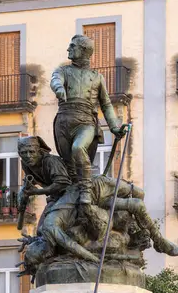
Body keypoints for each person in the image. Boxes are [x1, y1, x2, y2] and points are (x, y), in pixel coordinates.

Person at [50, 34, 123, 206]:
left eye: (72, 46)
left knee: (78, 148)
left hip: (86, 122)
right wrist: (59, 88)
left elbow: (105, 104)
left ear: (83, 50)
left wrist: (114, 127)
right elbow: (55, 80)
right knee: (69, 165)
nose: (68, 49)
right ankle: (68, 198)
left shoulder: (97, 77)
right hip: (64, 121)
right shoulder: (63, 71)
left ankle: (86, 190)